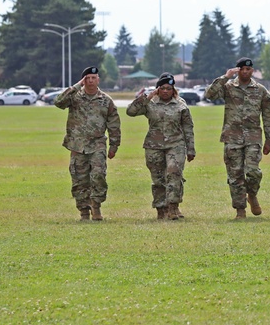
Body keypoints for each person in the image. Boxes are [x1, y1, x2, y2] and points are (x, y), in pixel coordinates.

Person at [204, 57, 270, 219]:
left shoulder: (260, 90)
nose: (245, 72)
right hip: (232, 138)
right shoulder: (228, 87)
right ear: (237, 70)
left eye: (248, 69)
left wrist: (269, 139)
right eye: (242, 69)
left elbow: (269, 115)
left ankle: (252, 194)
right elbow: (209, 94)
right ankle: (240, 210)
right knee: (235, 176)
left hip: (253, 138)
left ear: (252, 71)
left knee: (253, 172)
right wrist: (225, 76)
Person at [126, 72, 196, 220]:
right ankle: (160, 208)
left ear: (173, 90)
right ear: (157, 89)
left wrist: (190, 149)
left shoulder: (181, 104)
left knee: (173, 172)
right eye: (162, 88)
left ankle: (173, 207)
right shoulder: (149, 103)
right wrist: (147, 98)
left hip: (175, 144)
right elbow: (130, 112)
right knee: (158, 179)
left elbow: (188, 128)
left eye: (169, 88)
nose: (165, 91)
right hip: (154, 145)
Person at [54, 66, 121, 221]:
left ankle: (96, 207)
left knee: (98, 175)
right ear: (83, 80)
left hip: (97, 144)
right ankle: (84, 211)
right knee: (79, 178)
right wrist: (77, 86)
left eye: (93, 78)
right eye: (87, 78)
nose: (90, 81)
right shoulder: (75, 97)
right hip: (77, 145)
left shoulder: (106, 100)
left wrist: (114, 145)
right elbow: (58, 102)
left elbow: (114, 123)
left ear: (98, 80)